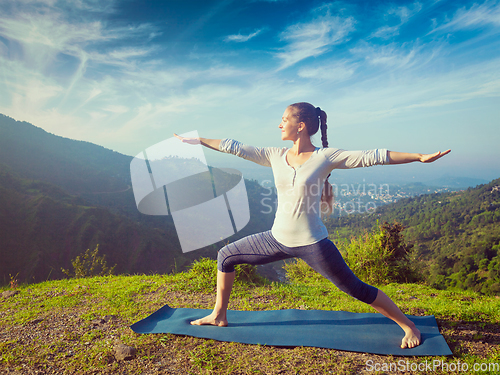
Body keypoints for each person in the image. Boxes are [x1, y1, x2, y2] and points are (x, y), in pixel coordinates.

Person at [174, 102, 451, 349]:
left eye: (284, 119)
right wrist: (197, 140)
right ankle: (219, 315)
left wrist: (419, 156)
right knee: (226, 256)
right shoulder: (273, 155)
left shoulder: (325, 157)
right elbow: (234, 146)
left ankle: (409, 326)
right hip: (276, 238)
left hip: (312, 243)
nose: (279, 124)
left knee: (357, 289)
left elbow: (374, 155)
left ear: (301, 125)